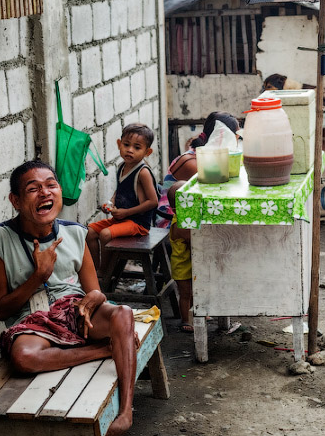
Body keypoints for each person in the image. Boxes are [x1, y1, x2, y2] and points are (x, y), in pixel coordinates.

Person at [0, 161, 137, 436]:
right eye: (33, 189)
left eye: (51, 185)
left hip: (75, 312)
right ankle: (104, 349)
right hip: (33, 321)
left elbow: (95, 292)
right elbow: (0, 310)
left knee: (124, 314)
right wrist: (38, 277)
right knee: (23, 357)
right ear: (15, 201)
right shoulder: (0, 239)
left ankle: (126, 412)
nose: (45, 193)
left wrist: (97, 296)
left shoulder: (76, 233)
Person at [164, 112, 241, 333]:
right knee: (188, 290)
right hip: (168, 217)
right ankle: (189, 318)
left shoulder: (205, 156)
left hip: (187, 218)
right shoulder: (192, 162)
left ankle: (205, 308)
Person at [86, 123, 158, 270]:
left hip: (138, 223)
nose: (130, 150)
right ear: (119, 144)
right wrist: (111, 203)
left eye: (137, 147)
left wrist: (126, 212)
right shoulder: (122, 166)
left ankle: (105, 272)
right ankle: (95, 269)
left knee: (105, 234)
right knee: (90, 231)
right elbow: (120, 190)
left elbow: (153, 202)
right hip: (121, 219)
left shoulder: (143, 172)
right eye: (126, 145)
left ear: (147, 152)